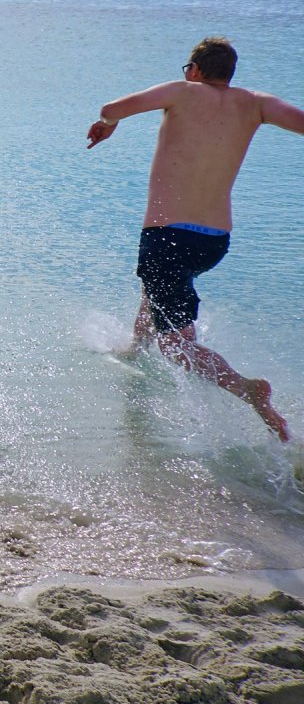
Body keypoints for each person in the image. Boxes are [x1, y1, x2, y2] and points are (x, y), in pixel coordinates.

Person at [87, 36, 299, 440]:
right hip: (214, 241)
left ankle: (247, 390)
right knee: (158, 290)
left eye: (187, 69)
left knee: (177, 345)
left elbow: (110, 109)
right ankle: (136, 348)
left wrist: (109, 124)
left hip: (168, 235)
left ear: (196, 69)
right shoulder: (256, 103)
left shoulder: (183, 92)